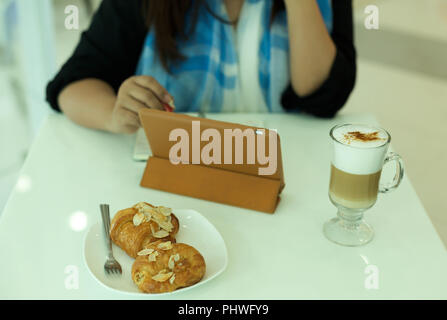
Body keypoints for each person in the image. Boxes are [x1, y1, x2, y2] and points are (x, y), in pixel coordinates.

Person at [46, 0, 356, 134]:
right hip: (180, 184)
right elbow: (73, 84)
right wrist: (114, 115)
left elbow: (322, 95)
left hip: (286, 179)